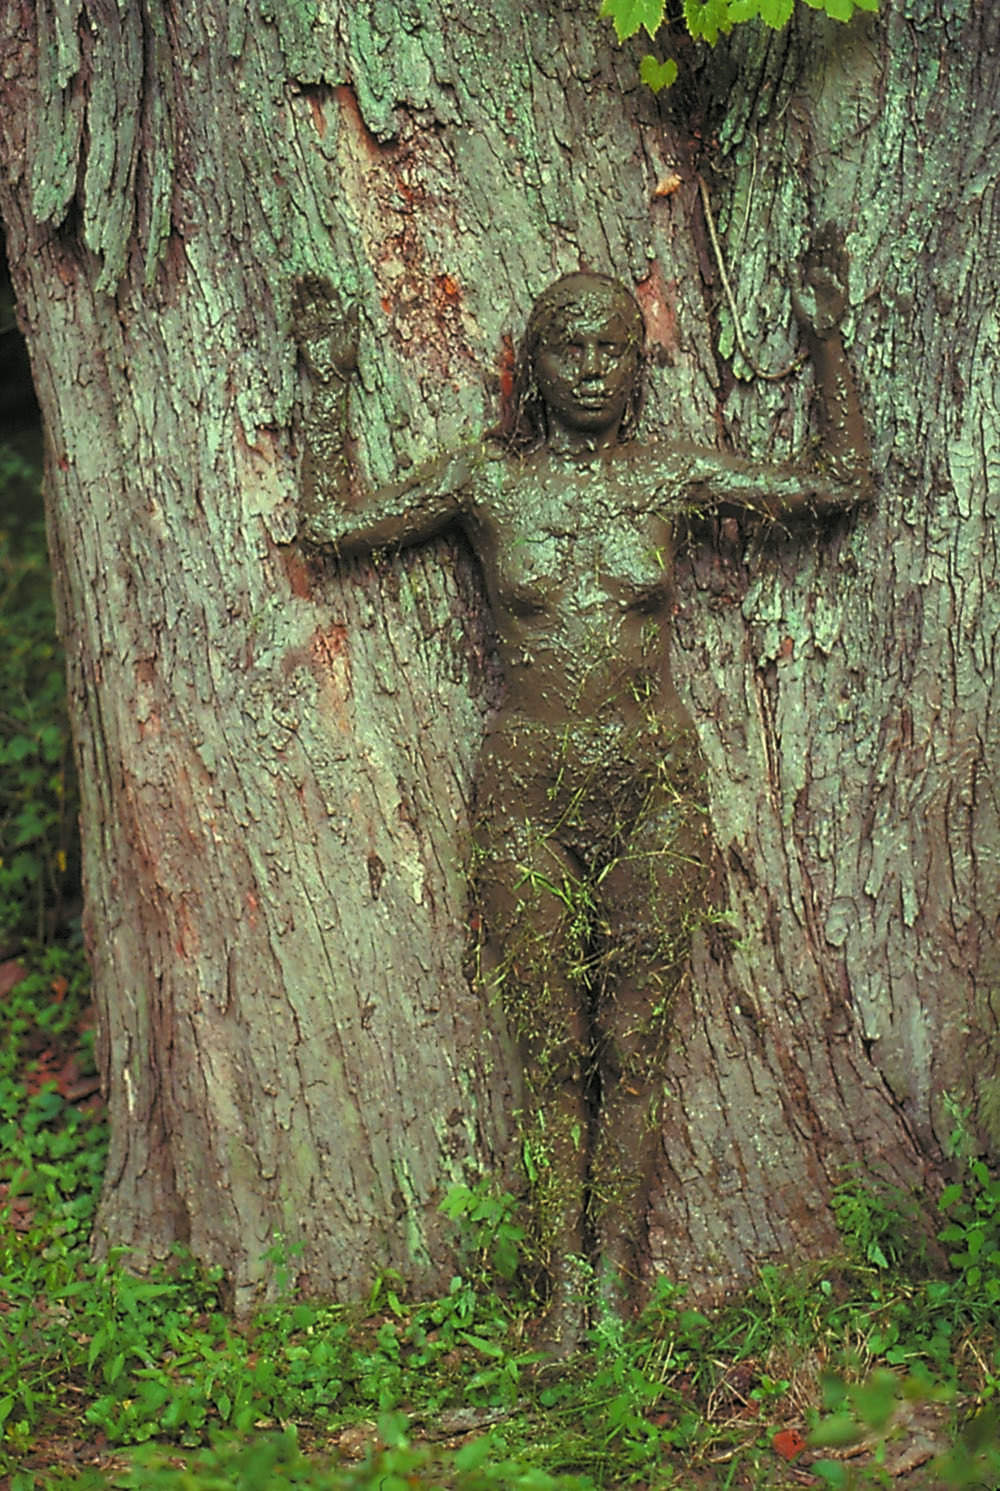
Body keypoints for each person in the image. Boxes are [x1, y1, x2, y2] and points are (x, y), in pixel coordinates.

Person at [294, 250, 868, 1350]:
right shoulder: (485, 481)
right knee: (552, 1050)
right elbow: (331, 526)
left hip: (654, 784)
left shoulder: (672, 477)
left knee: (636, 1042)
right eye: (570, 346)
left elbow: (838, 486)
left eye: (613, 346)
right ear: (534, 364)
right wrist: (326, 387)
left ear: (637, 367)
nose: (594, 367)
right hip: (527, 787)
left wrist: (828, 340)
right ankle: (562, 1296)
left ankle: (616, 1293)